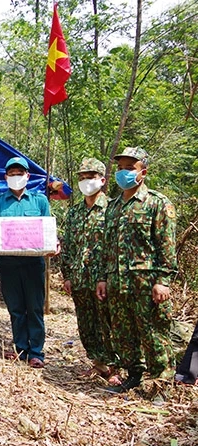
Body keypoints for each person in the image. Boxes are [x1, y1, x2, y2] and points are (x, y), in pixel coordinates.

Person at [96, 147, 178, 392]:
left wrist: (163, 280)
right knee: (123, 334)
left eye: (130, 168)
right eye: (120, 168)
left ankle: (160, 385)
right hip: (117, 283)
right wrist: (102, 278)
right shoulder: (113, 207)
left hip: (146, 285)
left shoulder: (157, 203)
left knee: (153, 335)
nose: (124, 173)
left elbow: (167, 245)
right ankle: (133, 376)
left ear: (143, 171)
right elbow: (106, 246)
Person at [0, 157, 53, 369]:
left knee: (34, 308)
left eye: (19, 173)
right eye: (12, 173)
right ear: (6, 177)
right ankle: (21, 348)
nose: (16, 177)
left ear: (27, 176)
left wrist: (52, 244)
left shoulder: (40, 201)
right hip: (8, 264)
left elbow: (47, 231)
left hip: (33, 264)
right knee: (15, 308)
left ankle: (36, 352)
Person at [61, 158, 119, 383]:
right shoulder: (75, 212)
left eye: (91, 177)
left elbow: (114, 247)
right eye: (82, 178)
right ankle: (98, 363)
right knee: (86, 324)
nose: (86, 182)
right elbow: (68, 245)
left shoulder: (112, 209)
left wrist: (105, 276)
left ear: (102, 180)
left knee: (107, 323)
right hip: (79, 279)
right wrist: (67, 275)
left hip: (102, 280)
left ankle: (115, 367)